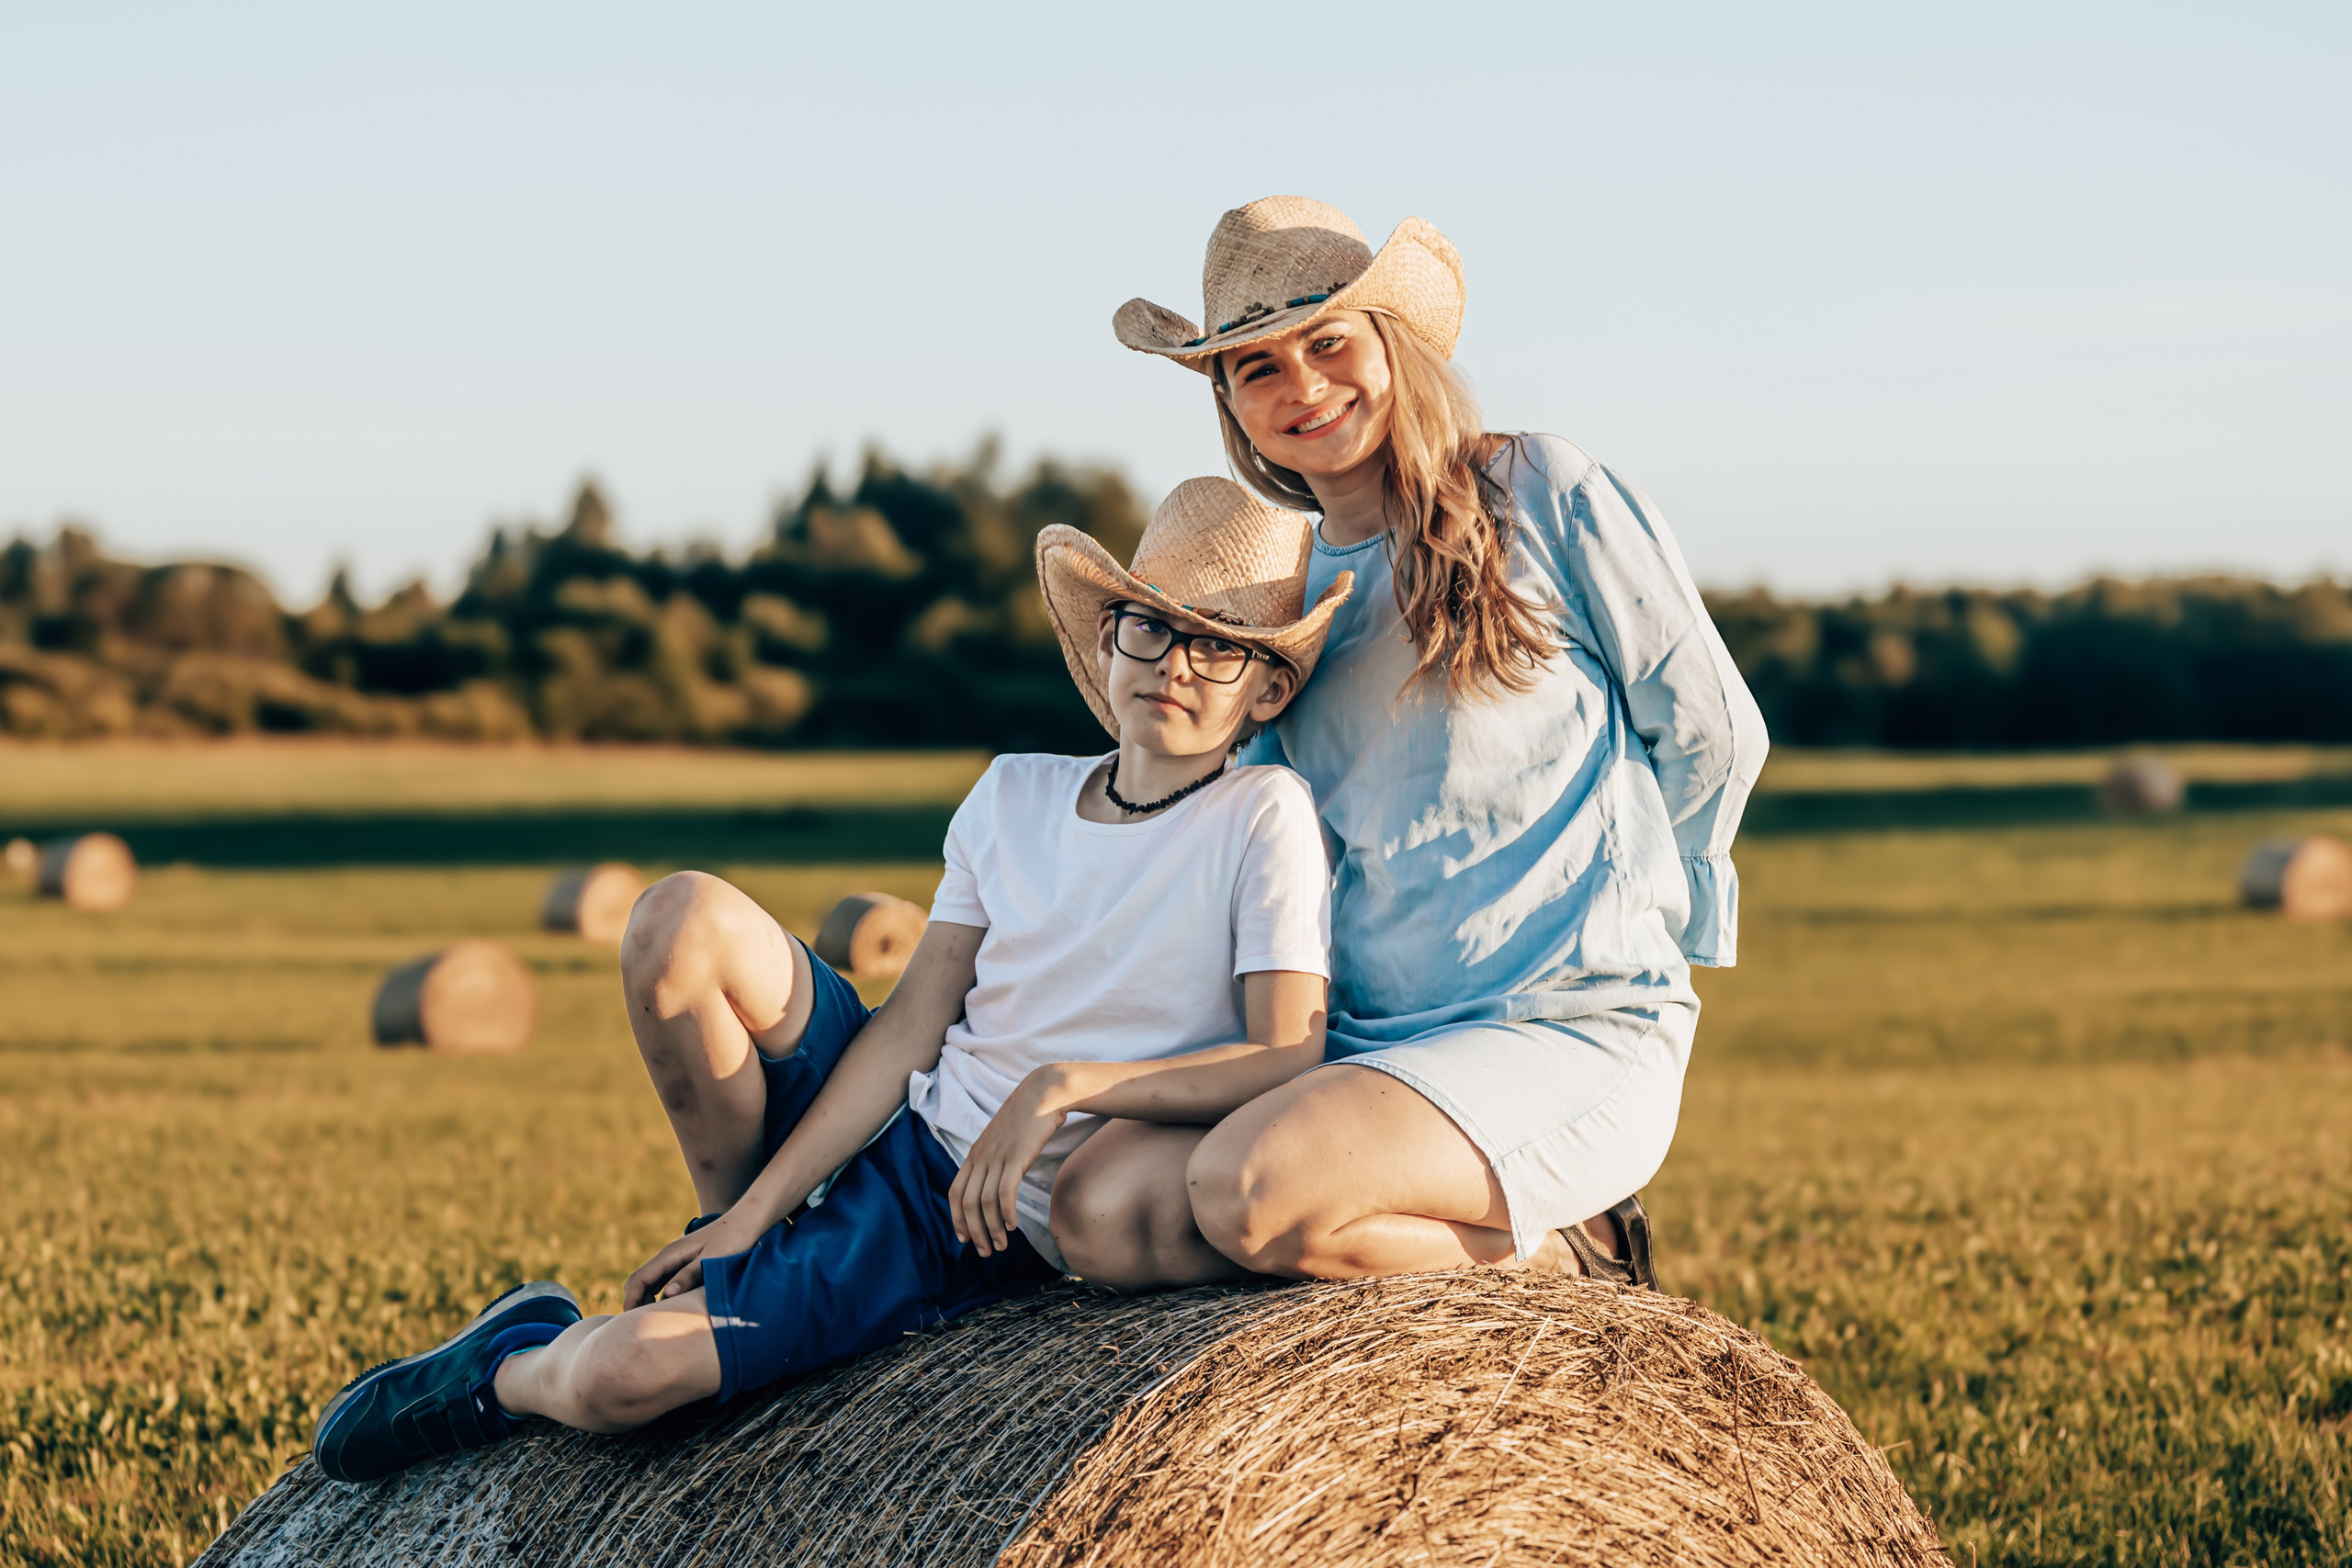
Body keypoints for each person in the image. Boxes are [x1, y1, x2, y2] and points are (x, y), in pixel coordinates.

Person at [308, 477, 1351, 1483]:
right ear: (1108, 640)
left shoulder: (1261, 820)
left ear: (1267, 687)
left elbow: (1282, 1049)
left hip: (953, 1218)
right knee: (678, 915)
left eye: (1220, 646)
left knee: (625, 1373)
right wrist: (756, 1212)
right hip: (892, 1108)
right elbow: (909, 1030)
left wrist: (1068, 1087)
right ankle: (725, 1249)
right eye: (1152, 627)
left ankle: (508, 1363)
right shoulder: (1011, 794)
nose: (1175, 662)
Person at [1071, 195, 1768, 1288]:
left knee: (1251, 1190)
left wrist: (1653, 915)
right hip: (1366, 1047)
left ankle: (1572, 1267)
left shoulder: (1539, 490)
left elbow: (1711, 729)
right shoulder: (1288, 606)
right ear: (1229, 405)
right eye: (1256, 367)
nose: (1302, 385)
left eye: (1327, 342)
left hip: (1568, 1021)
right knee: (1101, 1210)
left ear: (1390, 347)